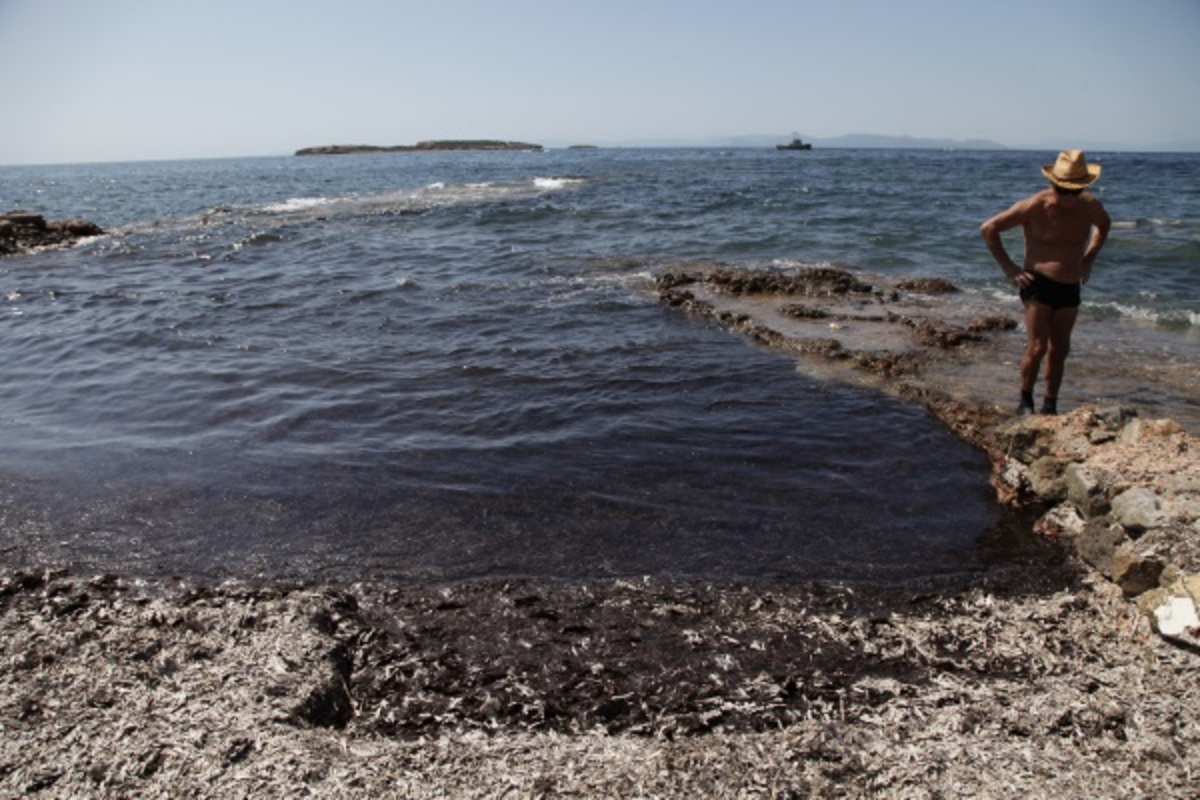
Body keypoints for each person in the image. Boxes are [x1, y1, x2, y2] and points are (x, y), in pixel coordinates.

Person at [981, 150, 1111, 415]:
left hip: (1070, 286)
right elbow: (989, 228)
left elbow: (1104, 226)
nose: (1069, 198)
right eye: (1063, 190)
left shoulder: (1090, 206)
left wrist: (1089, 260)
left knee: (1060, 349)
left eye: (1075, 192)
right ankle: (1025, 400)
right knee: (1038, 347)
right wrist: (1009, 267)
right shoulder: (1035, 206)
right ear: (1054, 184)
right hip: (1037, 284)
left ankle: (1050, 403)